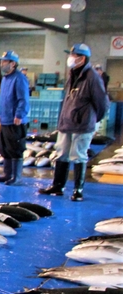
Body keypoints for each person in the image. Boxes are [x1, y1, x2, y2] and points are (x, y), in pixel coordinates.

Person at [39, 43, 110, 201]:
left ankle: (78, 189)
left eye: (74, 55)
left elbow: (103, 103)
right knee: (61, 154)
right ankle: (58, 186)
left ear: (82, 58)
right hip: (67, 123)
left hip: (82, 126)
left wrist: (91, 119)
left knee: (78, 156)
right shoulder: (73, 74)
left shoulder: (92, 77)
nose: (70, 58)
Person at [0, 50, 30, 185]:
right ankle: (7, 174)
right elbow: (4, 99)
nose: (2, 64)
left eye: (4, 62)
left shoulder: (19, 78)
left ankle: (17, 177)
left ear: (13, 63)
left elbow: (23, 99)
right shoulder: (5, 79)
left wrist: (19, 114)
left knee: (15, 148)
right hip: (5, 119)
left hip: (15, 121)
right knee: (5, 148)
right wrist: (1, 114)